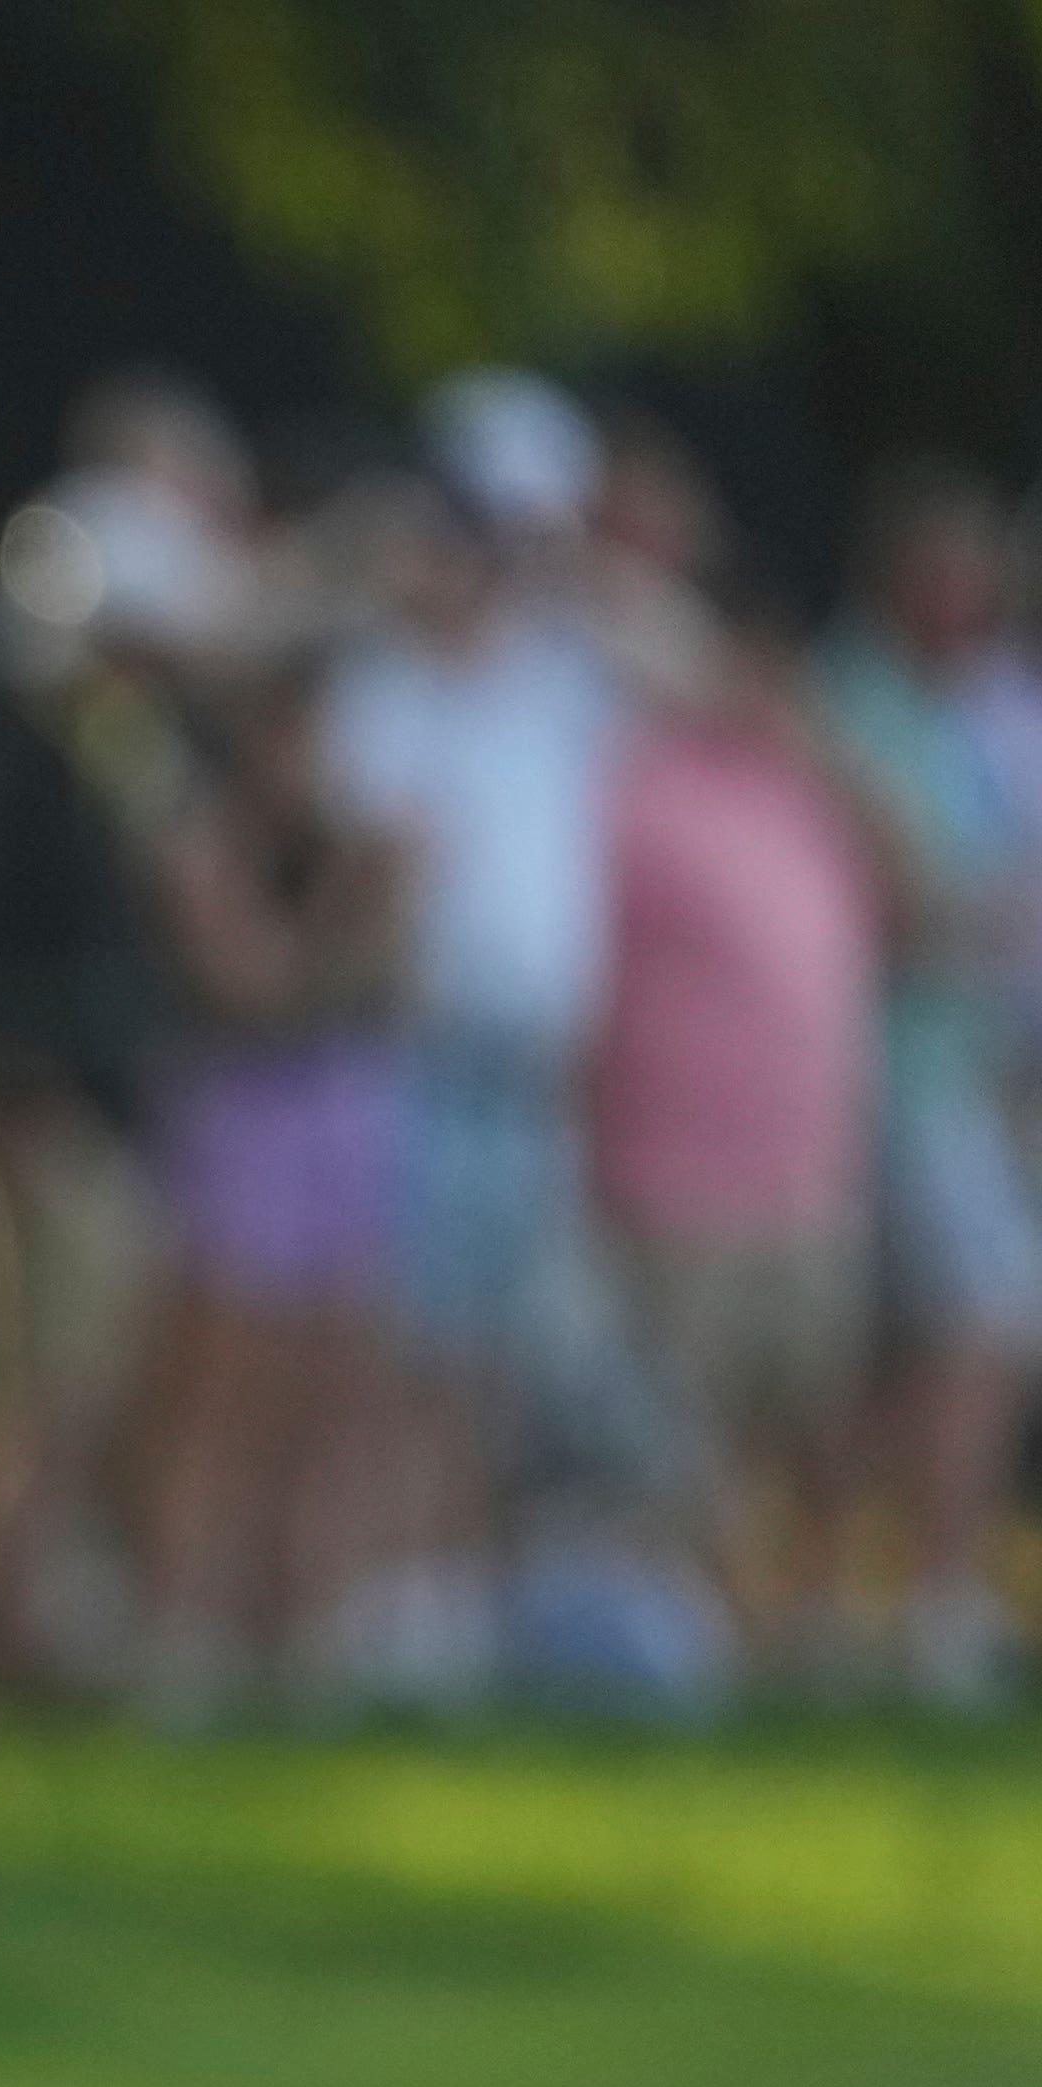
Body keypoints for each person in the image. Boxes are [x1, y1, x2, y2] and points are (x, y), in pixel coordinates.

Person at [321, 388, 626, 1711]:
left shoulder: (557, 680)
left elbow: (691, 657)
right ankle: (383, 1593)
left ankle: (451, 1597)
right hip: (419, 1061)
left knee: (490, 1368)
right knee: (405, 1357)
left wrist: (553, 564)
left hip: (537, 1075)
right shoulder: (373, 687)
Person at [598, 592, 886, 1686]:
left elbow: (929, 895)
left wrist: (831, 754)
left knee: (813, 1420)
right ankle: (696, 1643)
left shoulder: (815, 790)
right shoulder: (637, 781)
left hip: (811, 1173)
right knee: (689, 1437)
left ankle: (808, 1634)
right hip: (676, 1172)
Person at [125, 645, 415, 1722]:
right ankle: (179, 1630)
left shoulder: (353, 842)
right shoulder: (203, 843)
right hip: (236, 1122)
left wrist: (352, 923)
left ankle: (299, 1632)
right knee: (217, 1392)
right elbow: (253, 987)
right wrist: (353, 902)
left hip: (346, 1121)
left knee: (328, 1388)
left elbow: (388, 981)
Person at [818, 467, 1042, 1709]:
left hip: (979, 1070)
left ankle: (867, 1597)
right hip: (895, 1074)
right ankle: (928, 1598)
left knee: (929, 1350)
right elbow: (918, 906)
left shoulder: (984, 712)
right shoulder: (860, 704)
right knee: (980, 1327)